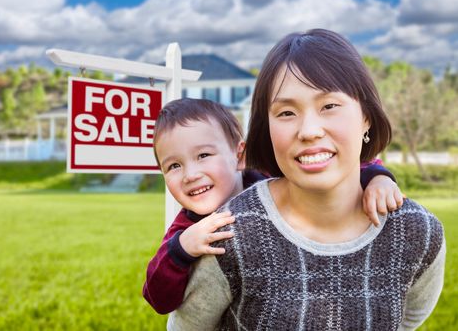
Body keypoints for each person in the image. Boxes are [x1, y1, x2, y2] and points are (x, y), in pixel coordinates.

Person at [168, 29, 445, 330]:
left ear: (366, 116)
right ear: (267, 128)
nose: (309, 130)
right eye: (286, 112)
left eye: (329, 106)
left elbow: (409, 320)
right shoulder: (229, 235)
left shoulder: (417, 232)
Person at [143, 98, 403, 315]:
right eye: (174, 166)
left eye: (203, 156)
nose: (190, 174)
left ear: (240, 156)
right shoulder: (186, 228)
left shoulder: (269, 181)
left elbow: (334, 169)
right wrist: (181, 249)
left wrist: (378, 178)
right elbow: (158, 299)